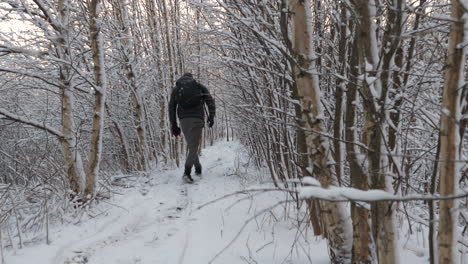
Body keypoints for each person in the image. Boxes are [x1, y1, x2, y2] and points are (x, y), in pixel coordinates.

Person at [169, 73, 216, 183]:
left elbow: (171, 107)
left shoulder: (176, 89)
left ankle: (198, 167)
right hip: (197, 118)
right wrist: (211, 116)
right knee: (193, 146)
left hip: (183, 120)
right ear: (192, 79)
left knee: (192, 145)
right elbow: (210, 101)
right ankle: (187, 172)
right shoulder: (199, 86)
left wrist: (174, 125)